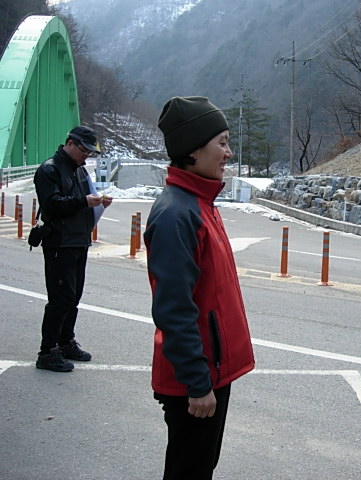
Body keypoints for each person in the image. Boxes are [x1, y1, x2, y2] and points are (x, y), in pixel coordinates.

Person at [144, 96, 255, 480]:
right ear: (192, 149)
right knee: (189, 471)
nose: (228, 153)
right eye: (221, 143)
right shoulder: (177, 213)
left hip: (211, 368)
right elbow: (174, 309)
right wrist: (196, 382)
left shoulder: (199, 201)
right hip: (198, 377)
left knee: (198, 466)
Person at [33, 126, 113, 372]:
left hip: (78, 239)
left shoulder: (79, 170)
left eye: (89, 152)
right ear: (69, 143)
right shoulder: (49, 170)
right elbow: (52, 204)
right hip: (60, 241)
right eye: (83, 150)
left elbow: (81, 201)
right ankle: (47, 351)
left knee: (74, 296)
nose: (86, 155)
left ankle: (66, 341)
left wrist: (98, 203)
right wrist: (84, 202)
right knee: (61, 297)